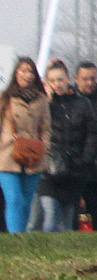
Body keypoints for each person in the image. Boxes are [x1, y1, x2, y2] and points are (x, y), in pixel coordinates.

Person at [40, 62, 97, 231]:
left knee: (68, 218)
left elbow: (92, 133)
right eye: (52, 81)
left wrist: (85, 158)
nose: (57, 84)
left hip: (74, 168)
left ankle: (64, 251)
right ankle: (45, 249)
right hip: (49, 170)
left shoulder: (82, 103)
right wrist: (46, 102)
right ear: (47, 82)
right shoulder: (43, 104)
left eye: (60, 79)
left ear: (68, 79)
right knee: (51, 213)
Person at [1, 59, 44, 232]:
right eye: (23, 71)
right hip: (7, 155)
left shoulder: (41, 100)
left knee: (26, 200)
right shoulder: (5, 98)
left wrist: (43, 145)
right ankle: (14, 236)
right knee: (14, 199)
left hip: (33, 154)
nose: (27, 75)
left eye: (30, 72)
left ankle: (22, 235)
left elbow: (46, 127)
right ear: (16, 73)